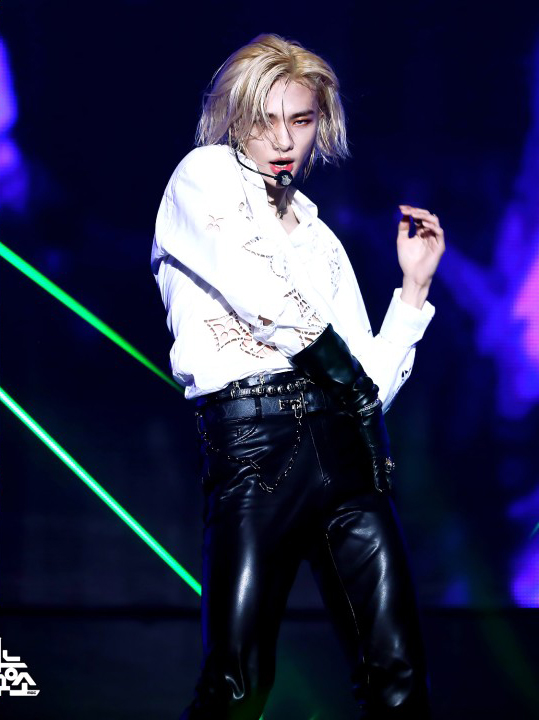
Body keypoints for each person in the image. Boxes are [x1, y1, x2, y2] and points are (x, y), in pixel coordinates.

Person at [151, 33, 444, 720]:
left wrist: (412, 290)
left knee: (400, 682)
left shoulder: (320, 240)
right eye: (265, 120)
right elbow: (265, 297)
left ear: (322, 123)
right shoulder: (203, 177)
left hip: (348, 456)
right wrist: (346, 378)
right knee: (238, 683)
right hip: (259, 451)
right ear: (235, 118)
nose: (283, 140)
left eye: (301, 119)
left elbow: (370, 391)